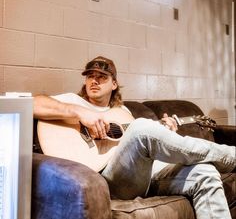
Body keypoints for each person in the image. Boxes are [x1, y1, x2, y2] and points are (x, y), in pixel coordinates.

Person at [34, 56, 235, 219]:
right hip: (111, 178)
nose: (94, 80)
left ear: (114, 84)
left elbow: (138, 145)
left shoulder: (121, 112)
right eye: (89, 76)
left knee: (205, 173)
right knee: (140, 128)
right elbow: (32, 103)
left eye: (102, 77)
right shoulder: (73, 101)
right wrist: (78, 112)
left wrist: (166, 133)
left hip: (146, 173)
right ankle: (231, 156)